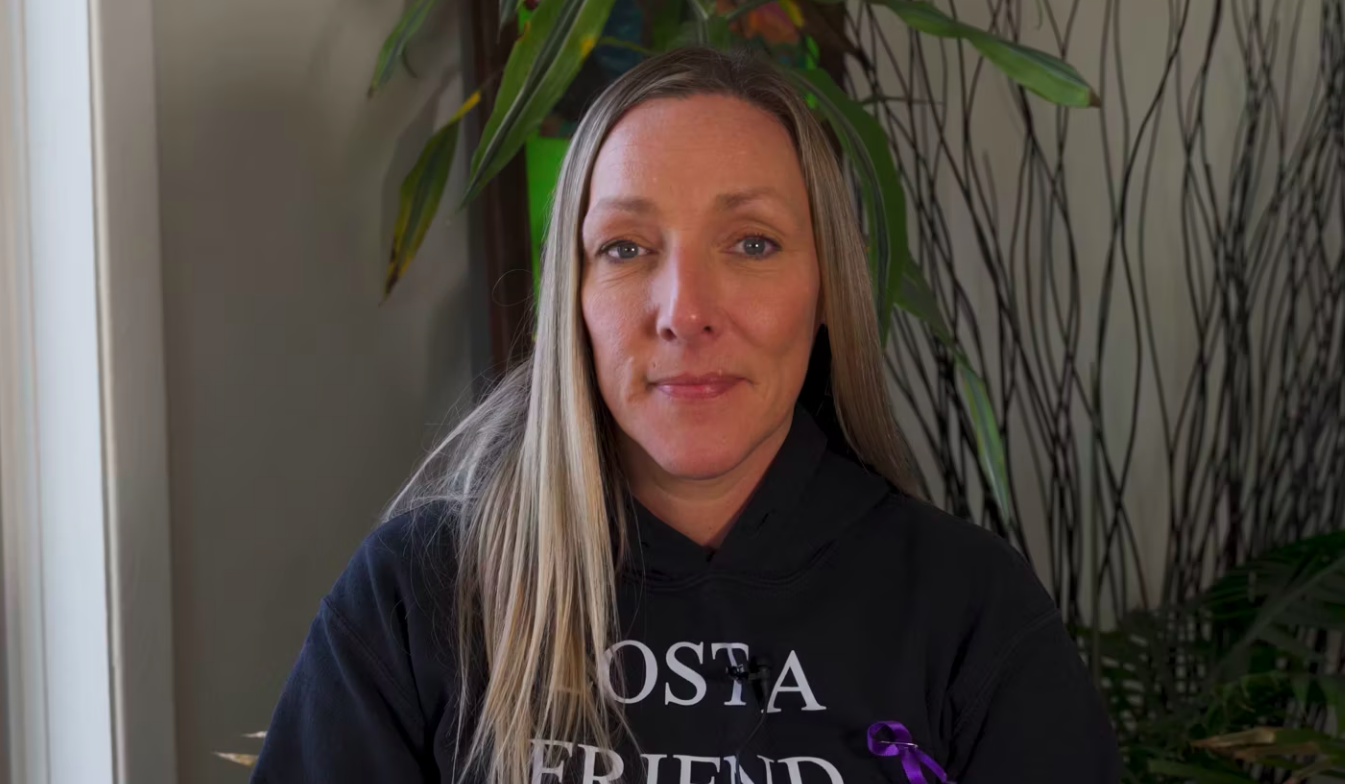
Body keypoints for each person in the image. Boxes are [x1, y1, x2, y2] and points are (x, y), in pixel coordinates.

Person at [251, 46, 1120, 783]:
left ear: (826, 293)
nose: (685, 309)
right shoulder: (420, 594)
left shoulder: (966, 608)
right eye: (626, 247)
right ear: (574, 301)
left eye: (752, 243)